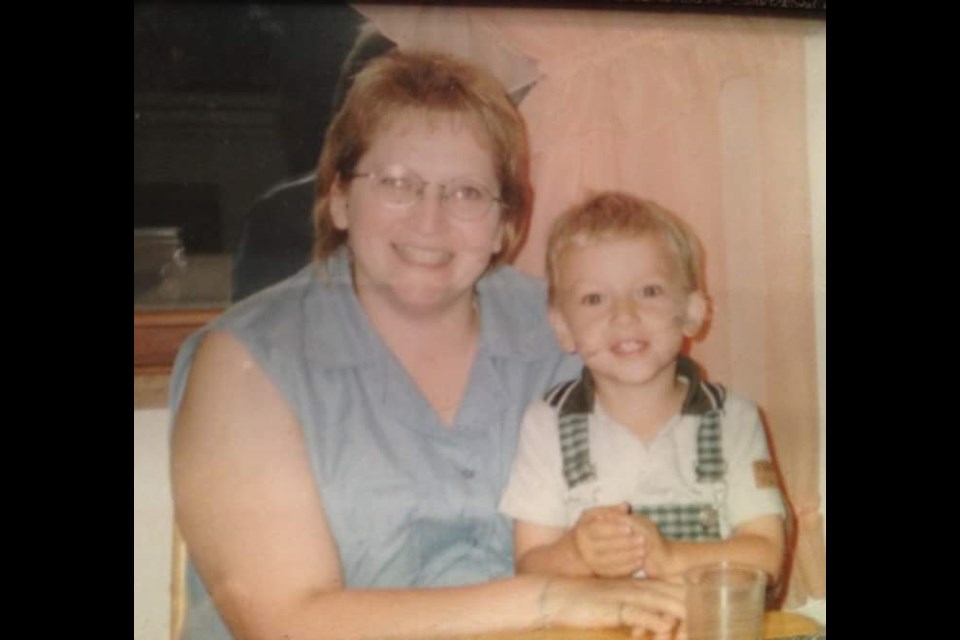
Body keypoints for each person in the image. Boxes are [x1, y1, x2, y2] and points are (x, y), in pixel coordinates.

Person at [170, 52, 685, 640]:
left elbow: (669, 500)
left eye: (467, 193)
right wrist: (546, 598)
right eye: (396, 184)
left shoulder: (573, 328)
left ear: (504, 225)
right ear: (339, 198)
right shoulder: (245, 360)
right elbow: (286, 621)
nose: (431, 221)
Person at [499, 192, 786, 584]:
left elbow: (767, 555)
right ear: (563, 326)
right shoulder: (546, 422)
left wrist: (671, 558)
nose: (624, 314)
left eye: (648, 291)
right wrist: (578, 554)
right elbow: (529, 566)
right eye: (594, 298)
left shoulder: (732, 419)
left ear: (691, 312)